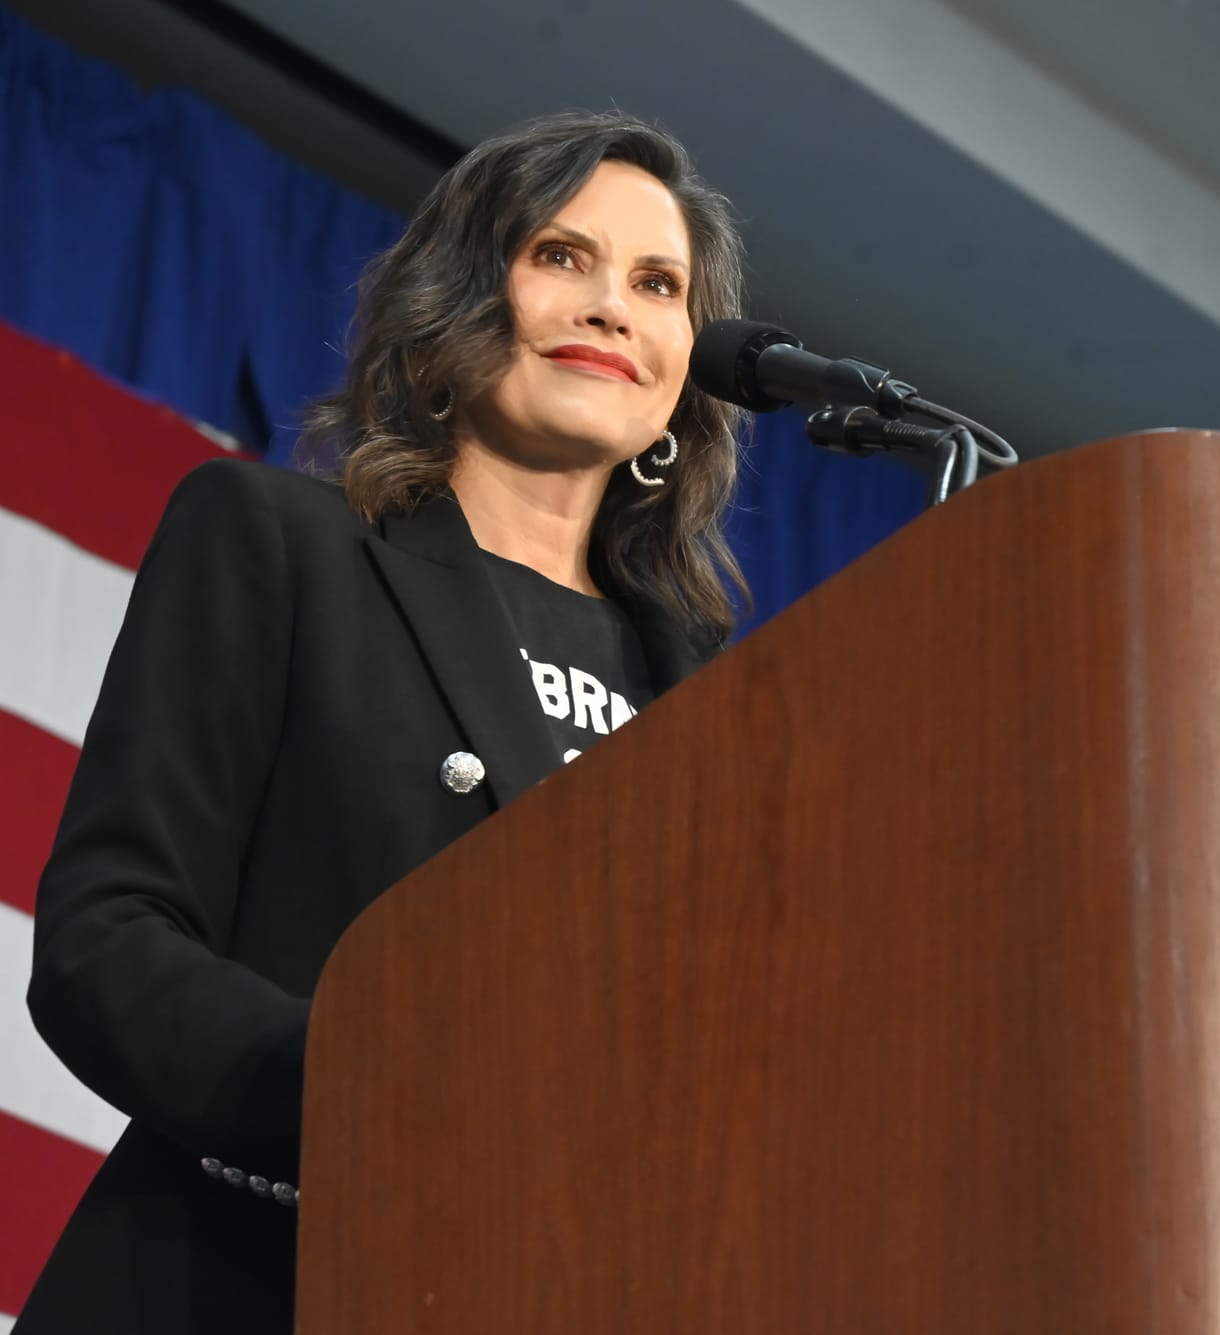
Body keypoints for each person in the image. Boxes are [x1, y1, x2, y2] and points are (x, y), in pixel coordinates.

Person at [19, 110, 749, 1334]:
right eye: (560, 256)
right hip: (249, 1279)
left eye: (657, 284)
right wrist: (390, 1101)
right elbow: (108, 941)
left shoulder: (723, 705)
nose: (611, 308)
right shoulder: (278, 545)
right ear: (458, 298)